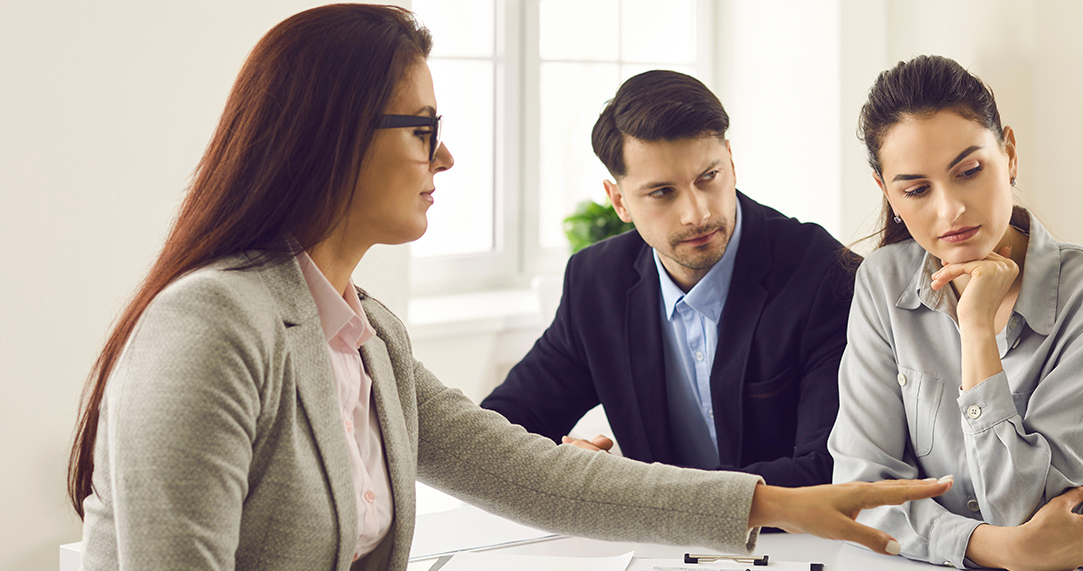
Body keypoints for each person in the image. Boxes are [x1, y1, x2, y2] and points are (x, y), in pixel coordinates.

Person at [66, 6, 952, 570]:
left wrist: (769, 502)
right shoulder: (209, 327)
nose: (444, 155)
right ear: (331, 138)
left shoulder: (367, 332)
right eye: (423, 129)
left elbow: (515, 466)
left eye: (710, 177)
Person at [828, 55, 1083, 571]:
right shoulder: (883, 282)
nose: (950, 210)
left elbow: (1026, 512)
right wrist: (988, 547)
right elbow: (859, 494)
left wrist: (975, 330)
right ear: (888, 193)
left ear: (1008, 154)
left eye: (969, 171)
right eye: (917, 189)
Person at [479, 70, 856, 488]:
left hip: (799, 545)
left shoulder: (825, 274)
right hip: (656, 550)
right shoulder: (595, 283)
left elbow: (828, 469)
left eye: (707, 178)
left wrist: (629, 491)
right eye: (662, 192)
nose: (696, 213)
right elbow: (498, 430)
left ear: (730, 162)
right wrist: (566, 465)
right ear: (619, 201)